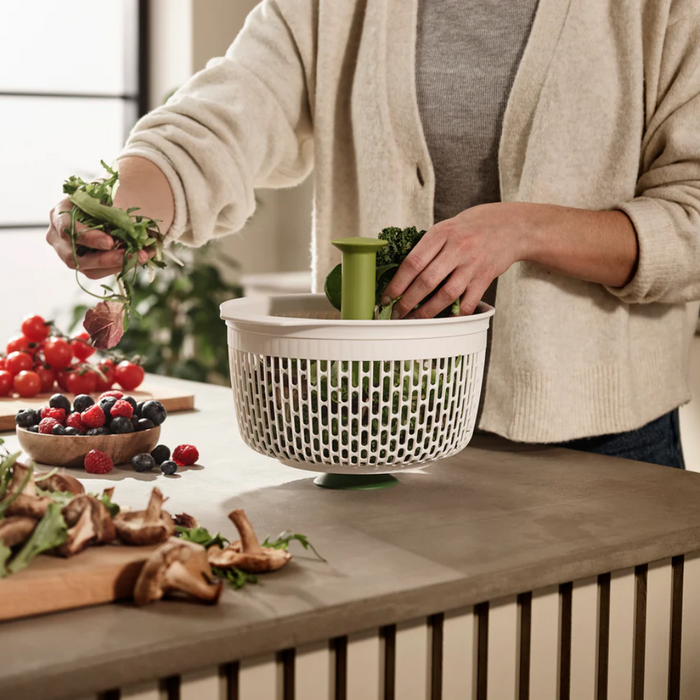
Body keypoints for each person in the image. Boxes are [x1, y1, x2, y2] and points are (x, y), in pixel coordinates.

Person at [47, 0, 700, 468]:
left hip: (601, 437)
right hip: (374, 422)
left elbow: (691, 214)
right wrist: (123, 214)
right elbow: (225, 114)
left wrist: (526, 227)